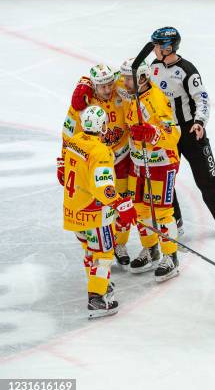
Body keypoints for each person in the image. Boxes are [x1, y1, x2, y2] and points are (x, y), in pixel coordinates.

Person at [150, 26, 215, 234]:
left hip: (190, 131)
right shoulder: (153, 68)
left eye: (157, 45)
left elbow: (201, 98)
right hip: (166, 132)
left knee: (205, 173)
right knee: (165, 176)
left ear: (168, 47)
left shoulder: (187, 70)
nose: (154, 49)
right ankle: (173, 218)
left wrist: (199, 122)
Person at [62, 105, 137, 318]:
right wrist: (121, 204)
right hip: (94, 213)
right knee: (103, 255)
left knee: (89, 250)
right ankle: (96, 297)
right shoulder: (100, 151)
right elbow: (103, 186)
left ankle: (99, 281)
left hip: (73, 209)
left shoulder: (75, 141)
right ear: (101, 126)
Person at [58, 64, 134, 267]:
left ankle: (119, 244)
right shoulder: (84, 103)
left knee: (123, 199)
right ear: (94, 87)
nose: (108, 90)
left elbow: (132, 68)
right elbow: (68, 132)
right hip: (97, 159)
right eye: (103, 87)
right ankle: (96, 247)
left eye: (110, 84)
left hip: (122, 155)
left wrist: (83, 79)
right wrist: (61, 162)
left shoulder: (118, 85)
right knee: (102, 201)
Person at [121, 58, 181, 282]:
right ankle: (151, 249)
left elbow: (174, 134)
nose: (125, 83)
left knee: (163, 212)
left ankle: (170, 256)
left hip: (162, 162)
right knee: (140, 210)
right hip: (138, 161)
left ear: (144, 78)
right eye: (124, 78)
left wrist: (154, 133)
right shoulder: (129, 91)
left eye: (130, 79)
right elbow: (105, 81)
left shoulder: (157, 99)